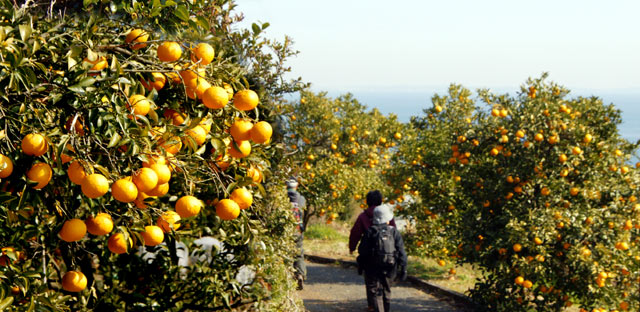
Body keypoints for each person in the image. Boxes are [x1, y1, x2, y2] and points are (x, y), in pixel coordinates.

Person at [349, 190, 397, 311]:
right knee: (385, 284)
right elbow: (394, 232)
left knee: (371, 283)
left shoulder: (363, 216)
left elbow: (355, 233)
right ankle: (385, 307)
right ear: (381, 201)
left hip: (370, 255)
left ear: (367, 202)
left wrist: (352, 247)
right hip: (387, 255)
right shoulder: (387, 215)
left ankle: (373, 306)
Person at [357, 204, 407, 312]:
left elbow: (362, 251)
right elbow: (401, 251)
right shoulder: (394, 232)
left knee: (375, 292)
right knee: (386, 291)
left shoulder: (370, 231)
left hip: (372, 268)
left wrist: (361, 266)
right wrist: (403, 269)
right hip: (390, 266)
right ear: (388, 219)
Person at [286, 177, 306, 289]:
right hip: (297, 229)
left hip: (285, 229)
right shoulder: (301, 199)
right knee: (298, 254)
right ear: (296, 186)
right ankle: (299, 275)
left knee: (285, 253)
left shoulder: (282, 197)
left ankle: (287, 278)